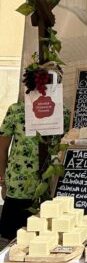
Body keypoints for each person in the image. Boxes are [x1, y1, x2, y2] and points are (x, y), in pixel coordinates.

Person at [0, 102, 70, 240]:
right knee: (14, 237)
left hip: (51, 186)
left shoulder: (64, 113)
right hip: (20, 185)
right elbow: (2, 147)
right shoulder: (16, 110)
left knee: (48, 238)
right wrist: (2, 179)